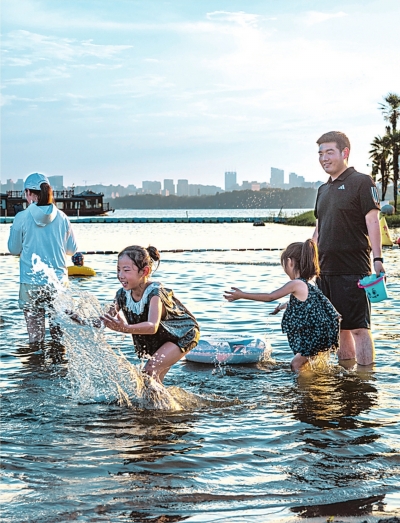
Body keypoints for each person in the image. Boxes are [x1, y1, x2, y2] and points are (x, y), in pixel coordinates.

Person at [313, 131, 384, 366]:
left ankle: (365, 379)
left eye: (329, 152)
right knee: (339, 327)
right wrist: (308, 263)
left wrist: (378, 259)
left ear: (345, 153)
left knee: (359, 328)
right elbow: (318, 230)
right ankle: (346, 379)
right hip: (324, 270)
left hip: (353, 269)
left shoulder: (361, 182)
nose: (324, 158)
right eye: (320, 153)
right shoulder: (322, 190)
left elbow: (372, 221)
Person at [224, 240, 340, 372]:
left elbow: (270, 296)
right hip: (323, 333)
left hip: (315, 336)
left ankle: (304, 384)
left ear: (290, 262)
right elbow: (304, 304)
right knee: (306, 364)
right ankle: (314, 380)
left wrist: (242, 295)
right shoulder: (308, 285)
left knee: (295, 365)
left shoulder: (296, 284)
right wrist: (280, 307)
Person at [98, 245, 200, 383]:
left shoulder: (154, 293)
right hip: (163, 337)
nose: (120, 275)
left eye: (126, 270)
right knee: (153, 381)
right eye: (118, 269)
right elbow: (104, 320)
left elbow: (152, 326)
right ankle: (167, 398)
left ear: (145, 271)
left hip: (182, 334)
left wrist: (125, 328)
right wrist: (78, 319)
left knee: (149, 371)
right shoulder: (121, 295)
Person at [8, 173, 78, 344]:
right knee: (59, 339)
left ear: (28, 192)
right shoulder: (62, 217)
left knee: (35, 339)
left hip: (31, 283)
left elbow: (13, 249)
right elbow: (72, 250)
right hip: (58, 283)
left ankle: (36, 360)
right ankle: (58, 361)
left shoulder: (21, 217)